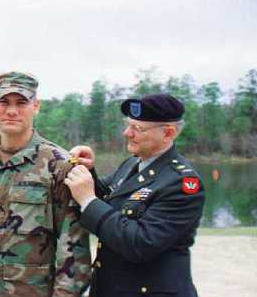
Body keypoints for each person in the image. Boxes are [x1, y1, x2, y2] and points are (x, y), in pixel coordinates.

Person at [0, 71, 91, 297]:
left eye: (22, 102)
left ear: (36, 106)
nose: (12, 111)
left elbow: (73, 250)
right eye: (4, 102)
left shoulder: (58, 166)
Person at [65, 94, 205, 297]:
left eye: (138, 128)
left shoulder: (182, 184)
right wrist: (89, 170)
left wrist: (88, 200)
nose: (127, 133)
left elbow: (140, 244)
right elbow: (108, 197)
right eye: (128, 124)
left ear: (168, 133)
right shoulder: (133, 163)